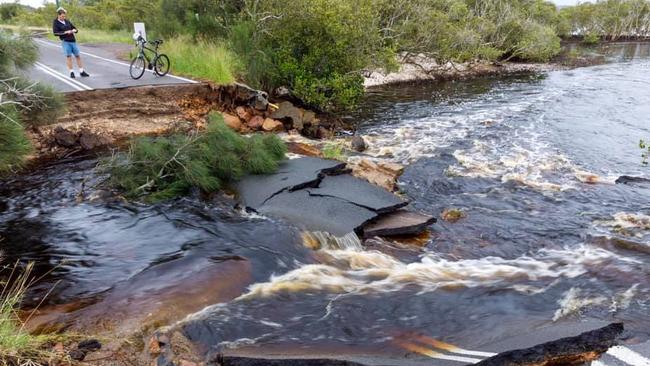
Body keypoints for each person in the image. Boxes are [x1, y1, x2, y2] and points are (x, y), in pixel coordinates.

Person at [52, 7, 89, 79]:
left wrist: (74, 30)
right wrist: (65, 32)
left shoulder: (67, 21)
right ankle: (71, 72)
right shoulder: (55, 22)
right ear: (58, 15)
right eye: (62, 16)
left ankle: (82, 71)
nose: (64, 17)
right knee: (69, 57)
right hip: (65, 42)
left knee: (78, 56)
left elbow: (75, 28)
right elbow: (55, 33)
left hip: (73, 41)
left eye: (64, 16)